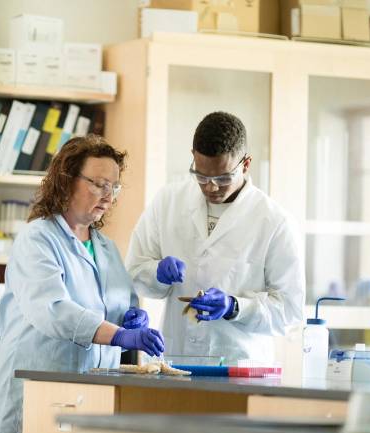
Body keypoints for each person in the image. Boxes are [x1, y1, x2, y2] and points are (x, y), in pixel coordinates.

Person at [0, 135, 164, 433]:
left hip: (90, 397)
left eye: (114, 187)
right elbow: (54, 310)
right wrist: (120, 335)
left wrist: (132, 317)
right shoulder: (37, 239)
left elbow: (119, 304)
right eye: (98, 184)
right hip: (39, 393)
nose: (108, 197)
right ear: (67, 181)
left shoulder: (106, 248)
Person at [126, 111, 304, 364]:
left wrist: (234, 307)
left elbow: (289, 311)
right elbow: (134, 271)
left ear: (246, 164)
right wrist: (156, 272)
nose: (211, 187)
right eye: (201, 176)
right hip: (176, 360)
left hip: (239, 365)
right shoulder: (168, 202)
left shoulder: (274, 222)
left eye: (223, 178)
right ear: (193, 158)